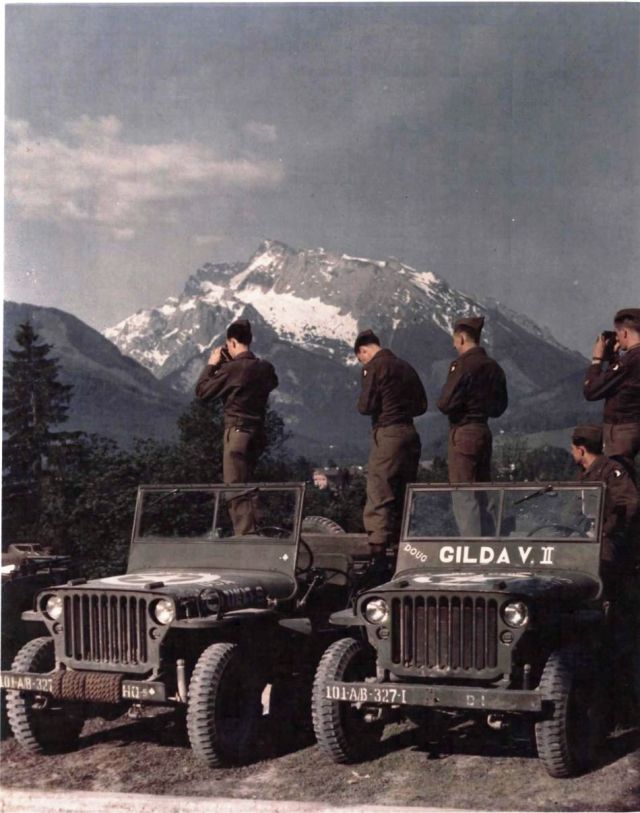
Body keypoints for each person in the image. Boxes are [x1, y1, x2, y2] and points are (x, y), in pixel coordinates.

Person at [570, 424, 639, 720]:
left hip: (611, 549)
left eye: (573, 447)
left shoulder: (612, 471)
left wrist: (605, 530)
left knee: (617, 630)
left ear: (580, 448)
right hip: (589, 544)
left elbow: (630, 503)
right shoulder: (584, 474)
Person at [195, 319, 278, 534]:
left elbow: (202, 392)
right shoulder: (265, 367)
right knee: (250, 484)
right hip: (258, 433)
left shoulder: (232, 369)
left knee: (235, 487)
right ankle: (258, 530)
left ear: (232, 342)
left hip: (237, 431)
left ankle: (245, 535)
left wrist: (212, 365)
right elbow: (272, 382)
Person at [355, 329, 428, 572]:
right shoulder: (406, 367)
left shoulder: (374, 367)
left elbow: (365, 406)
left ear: (363, 351)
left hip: (388, 433)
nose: (363, 362)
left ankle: (378, 555)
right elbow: (422, 405)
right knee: (404, 492)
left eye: (361, 358)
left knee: (380, 490)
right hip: (410, 433)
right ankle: (402, 547)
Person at [437, 315, 508, 537]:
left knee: (464, 494)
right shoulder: (494, 367)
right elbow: (499, 407)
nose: (454, 345)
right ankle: (489, 541)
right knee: (483, 491)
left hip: (463, 431)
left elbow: (445, 403)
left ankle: (470, 545)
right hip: (483, 430)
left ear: (461, 338)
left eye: (454, 340)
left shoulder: (462, 365)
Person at [583, 308, 640, 478]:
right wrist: (615, 359)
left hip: (621, 430)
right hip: (634, 425)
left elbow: (591, 391)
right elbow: (621, 382)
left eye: (617, 333)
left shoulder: (630, 361)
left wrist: (597, 360)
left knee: (618, 479)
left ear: (624, 332)